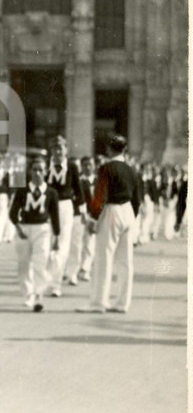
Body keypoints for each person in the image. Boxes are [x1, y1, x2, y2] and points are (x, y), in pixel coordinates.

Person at [77, 134, 143, 314]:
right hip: (128, 211)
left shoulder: (106, 167)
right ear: (125, 149)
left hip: (111, 211)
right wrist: (132, 217)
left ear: (108, 149)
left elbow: (100, 196)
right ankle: (122, 302)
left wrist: (93, 218)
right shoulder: (132, 170)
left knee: (103, 258)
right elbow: (137, 199)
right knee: (125, 261)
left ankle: (99, 302)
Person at [8, 155, 60, 313]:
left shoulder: (51, 192)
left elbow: (55, 215)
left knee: (40, 262)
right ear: (30, 171)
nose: (38, 173)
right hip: (25, 229)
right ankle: (28, 293)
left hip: (42, 229)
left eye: (41, 170)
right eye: (35, 169)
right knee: (24, 264)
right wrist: (18, 227)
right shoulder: (22, 191)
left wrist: (56, 236)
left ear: (46, 172)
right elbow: (12, 213)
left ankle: (38, 295)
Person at [45, 137, 84, 297]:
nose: (58, 151)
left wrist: (82, 213)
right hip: (46, 207)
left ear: (66, 150)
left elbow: (79, 190)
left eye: (61, 148)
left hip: (65, 207)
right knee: (47, 242)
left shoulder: (72, 167)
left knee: (62, 245)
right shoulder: (45, 167)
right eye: (55, 148)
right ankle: (45, 278)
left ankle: (56, 283)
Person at [68, 155, 98, 284]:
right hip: (79, 215)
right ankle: (73, 271)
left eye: (90, 164)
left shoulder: (99, 181)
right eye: (85, 165)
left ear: (94, 166)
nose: (87, 167)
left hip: (94, 215)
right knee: (76, 244)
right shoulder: (78, 180)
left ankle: (85, 269)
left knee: (90, 243)